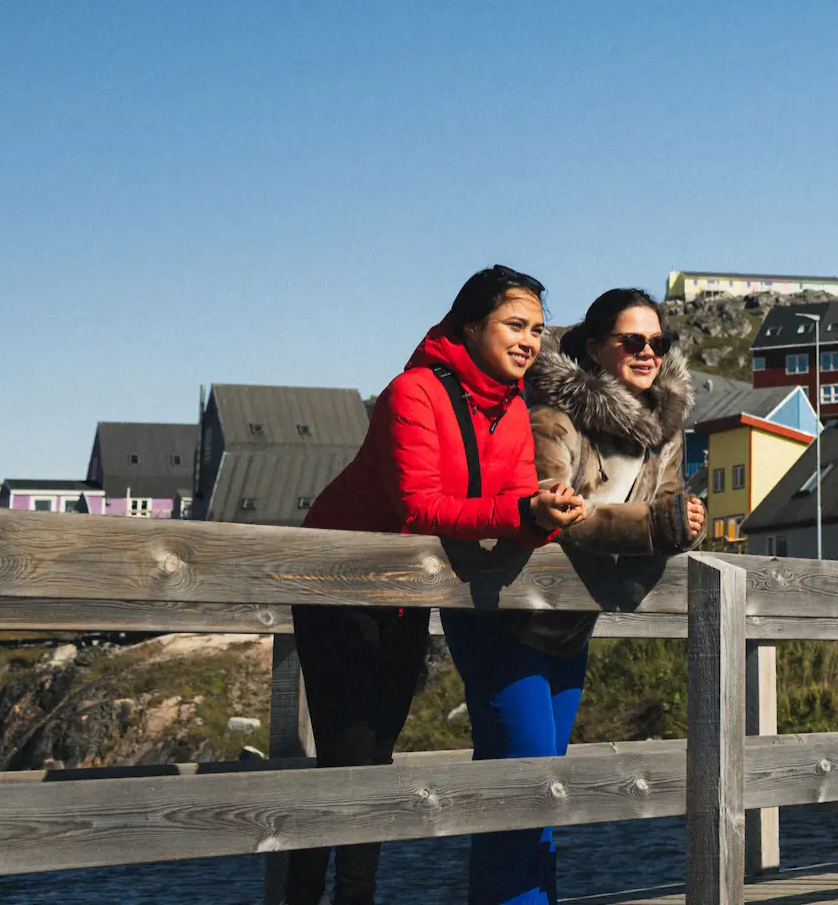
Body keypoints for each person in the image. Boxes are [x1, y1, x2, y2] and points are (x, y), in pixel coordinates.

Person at [283, 265, 586, 905]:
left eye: (537, 330)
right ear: (470, 326)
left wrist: (543, 518)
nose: (529, 341)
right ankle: (309, 894)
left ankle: (352, 894)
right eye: (514, 325)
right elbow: (419, 506)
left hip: (410, 589)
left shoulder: (513, 410)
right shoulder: (412, 392)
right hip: (340, 582)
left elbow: (511, 509)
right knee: (348, 749)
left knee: (380, 746)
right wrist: (522, 511)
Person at [455, 288, 705, 905]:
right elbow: (561, 509)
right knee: (524, 782)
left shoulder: (665, 429)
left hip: (570, 628)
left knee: (547, 789)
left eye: (658, 342)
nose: (648, 353)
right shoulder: (554, 414)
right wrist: (659, 524)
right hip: (507, 617)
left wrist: (682, 521)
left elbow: (665, 507)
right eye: (632, 341)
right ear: (595, 348)